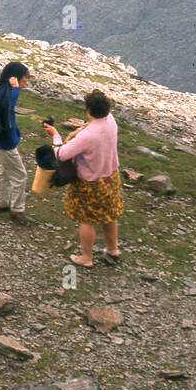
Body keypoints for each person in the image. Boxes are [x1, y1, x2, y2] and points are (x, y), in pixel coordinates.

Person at [57, 90, 124, 267]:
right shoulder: (110, 120)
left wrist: (56, 138)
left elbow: (63, 154)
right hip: (110, 176)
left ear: (88, 110)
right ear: (107, 109)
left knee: (87, 219)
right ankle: (113, 249)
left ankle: (86, 257)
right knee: (109, 214)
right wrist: (79, 130)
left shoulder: (88, 135)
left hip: (90, 181)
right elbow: (92, 125)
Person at [0, 61, 34, 225]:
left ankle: (0, 204)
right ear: (15, 78)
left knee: (3, 171)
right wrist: (16, 88)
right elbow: (9, 108)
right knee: (20, 175)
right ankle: (17, 210)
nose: (26, 81)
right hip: (7, 143)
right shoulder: (7, 93)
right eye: (25, 78)